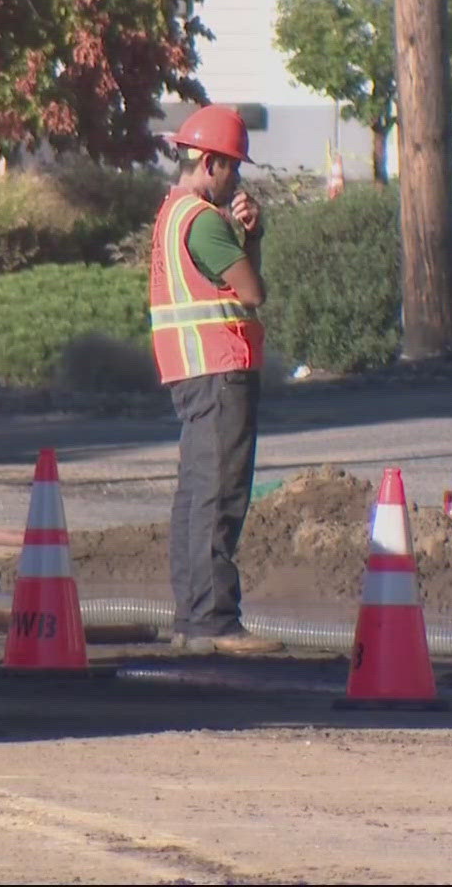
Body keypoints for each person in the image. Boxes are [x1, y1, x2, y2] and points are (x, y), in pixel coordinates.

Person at [148, 105, 283, 655]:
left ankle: (192, 618)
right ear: (210, 162)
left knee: (195, 496)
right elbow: (252, 292)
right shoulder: (203, 222)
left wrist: (245, 234)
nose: (238, 178)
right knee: (218, 497)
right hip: (219, 370)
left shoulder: (173, 213)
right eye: (232, 167)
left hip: (191, 372)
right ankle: (212, 623)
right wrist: (254, 237)